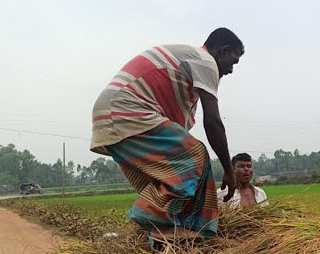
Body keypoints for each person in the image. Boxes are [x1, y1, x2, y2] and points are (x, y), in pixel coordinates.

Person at [90, 28, 243, 238]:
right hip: (125, 110)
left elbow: (181, 134)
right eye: (233, 61)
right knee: (195, 154)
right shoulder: (205, 61)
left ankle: (193, 231)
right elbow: (213, 122)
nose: (231, 70)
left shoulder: (186, 79)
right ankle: (156, 221)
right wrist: (228, 169)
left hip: (115, 115)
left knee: (197, 168)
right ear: (223, 50)